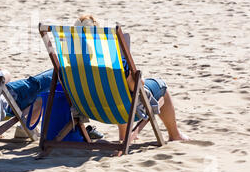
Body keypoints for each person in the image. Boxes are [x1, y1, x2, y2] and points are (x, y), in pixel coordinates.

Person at [74, 14, 189, 143]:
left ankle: (124, 136)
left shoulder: (68, 65)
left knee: (117, 90)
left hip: (89, 109)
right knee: (159, 86)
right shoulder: (112, 59)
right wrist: (139, 78)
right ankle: (175, 135)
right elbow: (135, 87)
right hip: (120, 109)